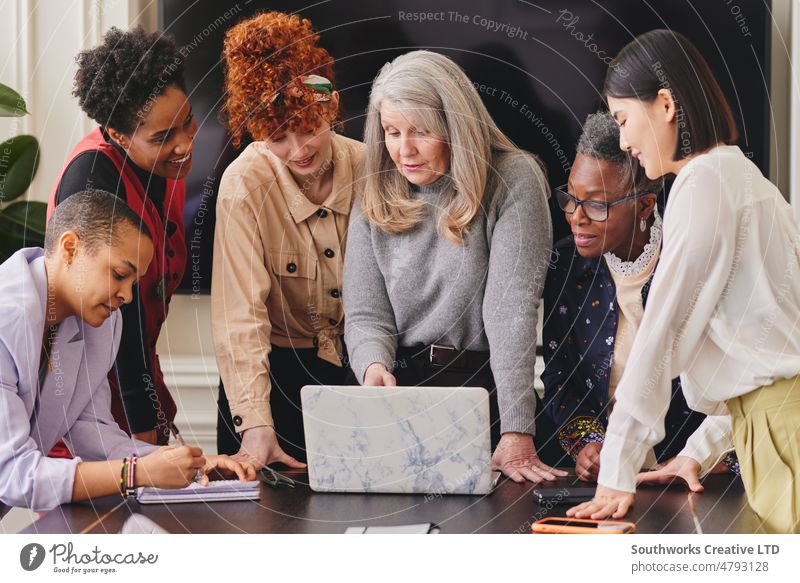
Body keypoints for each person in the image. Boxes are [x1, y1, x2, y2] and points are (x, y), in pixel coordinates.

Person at [566, 30, 800, 533]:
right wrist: (699, 450)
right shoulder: (743, 178)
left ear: (667, 104)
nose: (625, 142)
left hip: (784, 436)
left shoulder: (702, 183)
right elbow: (767, 361)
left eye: (625, 120)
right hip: (772, 430)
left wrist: (618, 469)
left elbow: (663, 334)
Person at [343, 50, 565, 484]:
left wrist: (517, 429)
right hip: (396, 389)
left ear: (455, 127)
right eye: (391, 132)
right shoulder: (374, 188)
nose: (403, 150)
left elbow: (511, 311)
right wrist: (372, 369)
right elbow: (366, 313)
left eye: (421, 132)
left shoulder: (513, 178)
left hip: (479, 389)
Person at [0, 191, 254, 518]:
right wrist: (136, 472)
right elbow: (12, 474)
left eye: (134, 281)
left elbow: (94, 433)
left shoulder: (101, 322)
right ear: (70, 248)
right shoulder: (7, 314)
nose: (127, 296)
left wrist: (191, 465)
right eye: (120, 274)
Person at [542, 111, 738, 481]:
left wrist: (698, 456)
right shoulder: (566, 264)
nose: (576, 217)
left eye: (597, 205)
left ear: (645, 206)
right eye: (570, 198)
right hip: (612, 475)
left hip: (699, 472)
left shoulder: (692, 256)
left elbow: (735, 380)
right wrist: (591, 443)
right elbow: (559, 380)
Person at [213, 12, 364, 467]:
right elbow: (241, 318)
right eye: (278, 137)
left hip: (361, 373)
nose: (298, 150)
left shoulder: (372, 167)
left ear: (331, 107)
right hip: (273, 380)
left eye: (308, 126)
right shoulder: (243, 186)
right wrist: (257, 425)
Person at [48, 27, 195, 445]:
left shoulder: (169, 168)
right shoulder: (92, 179)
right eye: (163, 138)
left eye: (188, 121)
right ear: (117, 135)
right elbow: (121, 326)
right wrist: (145, 443)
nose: (185, 144)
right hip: (88, 408)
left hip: (140, 391)